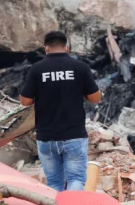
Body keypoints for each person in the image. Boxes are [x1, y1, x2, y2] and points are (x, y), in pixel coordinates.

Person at [20, 31, 102, 191]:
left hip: (46, 136)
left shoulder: (36, 69)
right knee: (76, 179)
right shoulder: (80, 67)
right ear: (67, 47)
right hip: (74, 136)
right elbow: (95, 98)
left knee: (53, 183)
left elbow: (25, 101)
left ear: (46, 48)